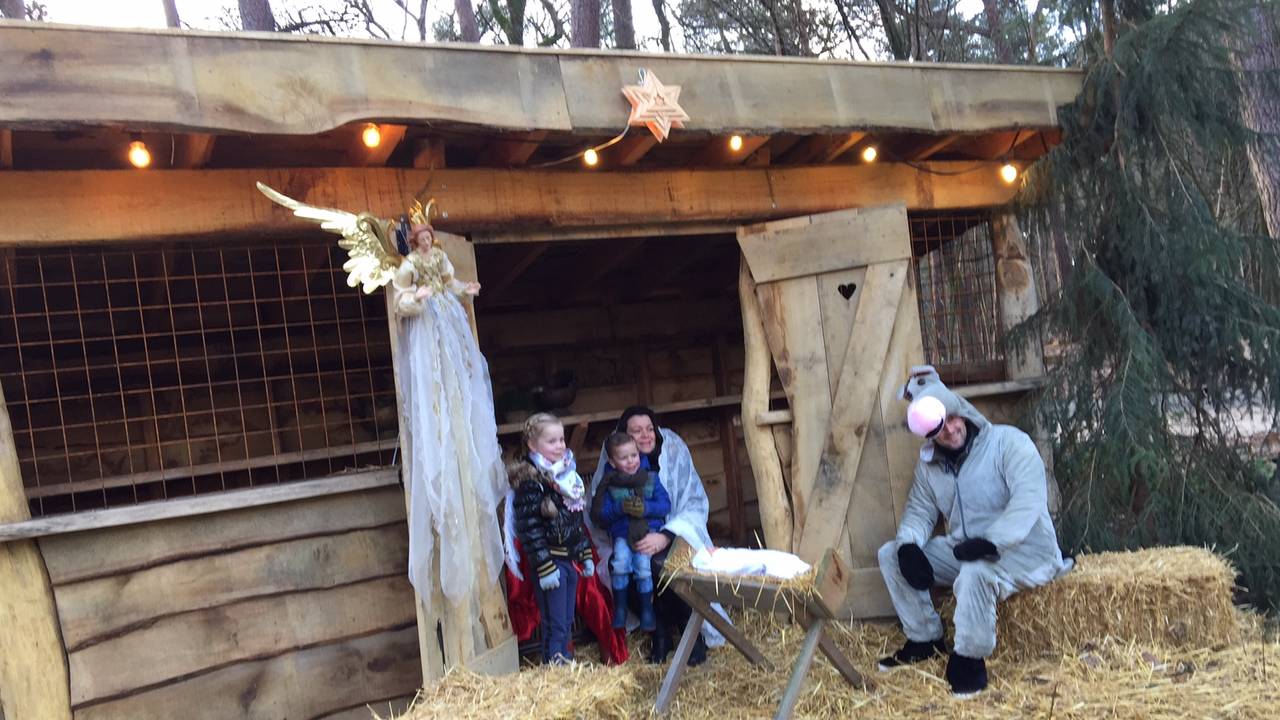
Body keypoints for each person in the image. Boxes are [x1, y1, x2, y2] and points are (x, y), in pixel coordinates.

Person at [876, 366, 1073, 697]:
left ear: (962, 411)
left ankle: (969, 661)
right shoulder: (930, 469)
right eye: (940, 429)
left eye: (954, 419)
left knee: (974, 574)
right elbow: (920, 512)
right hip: (965, 550)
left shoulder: (1008, 443)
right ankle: (925, 638)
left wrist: (992, 541)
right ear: (929, 434)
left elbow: (1029, 498)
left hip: (1024, 549)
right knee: (890, 554)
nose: (951, 431)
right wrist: (908, 544)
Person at [590, 406, 722, 665]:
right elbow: (597, 514)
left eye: (649, 429)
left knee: (662, 563)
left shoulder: (670, 452)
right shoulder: (611, 472)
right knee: (619, 566)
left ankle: (690, 633)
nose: (646, 435)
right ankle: (660, 633)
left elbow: (694, 504)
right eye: (636, 431)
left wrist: (666, 535)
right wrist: (621, 517)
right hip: (630, 539)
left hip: (674, 535)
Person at [507, 413, 595, 664]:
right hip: (550, 563)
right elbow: (530, 529)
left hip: (568, 559)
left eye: (561, 440)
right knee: (554, 619)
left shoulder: (566, 477)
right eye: (552, 441)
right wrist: (544, 566)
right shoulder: (531, 481)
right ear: (533, 446)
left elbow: (574, 522)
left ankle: (564, 658)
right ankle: (554, 663)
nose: (560, 446)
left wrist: (585, 553)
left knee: (566, 618)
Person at [591, 432, 672, 631]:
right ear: (612, 461)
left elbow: (664, 505)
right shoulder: (609, 484)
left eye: (634, 455)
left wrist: (645, 508)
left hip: (646, 534)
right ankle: (620, 609)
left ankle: (647, 611)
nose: (630, 461)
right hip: (622, 535)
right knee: (620, 564)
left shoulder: (650, 478)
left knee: (643, 567)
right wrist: (620, 509)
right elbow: (599, 515)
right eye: (623, 457)